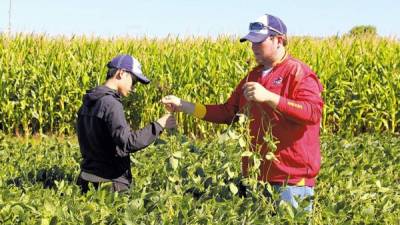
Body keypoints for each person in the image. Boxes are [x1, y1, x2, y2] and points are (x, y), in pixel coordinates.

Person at [161, 14, 323, 211]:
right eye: (251, 42)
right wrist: (184, 105)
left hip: (291, 182)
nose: (253, 47)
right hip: (256, 178)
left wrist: (270, 97)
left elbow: (313, 112)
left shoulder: (298, 73)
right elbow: (227, 112)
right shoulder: (252, 76)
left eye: (259, 41)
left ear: (278, 40)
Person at [76, 54, 176, 193]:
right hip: (108, 184)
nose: (134, 87)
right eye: (133, 81)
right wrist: (159, 124)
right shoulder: (111, 104)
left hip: (86, 180)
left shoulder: (88, 101)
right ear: (121, 73)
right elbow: (128, 142)